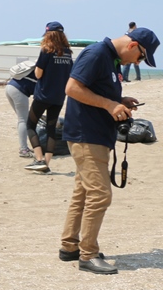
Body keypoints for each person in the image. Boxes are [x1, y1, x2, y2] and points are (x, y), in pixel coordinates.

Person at [60, 26, 157, 274]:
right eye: (141, 58)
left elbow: (94, 89)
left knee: (83, 192)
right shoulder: (96, 54)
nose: (139, 62)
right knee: (100, 195)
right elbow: (71, 88)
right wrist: (109, 104)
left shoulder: (108, 58)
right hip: (86, 135)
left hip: (94, 134)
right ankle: (88, 255)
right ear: (134, 46)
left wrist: (119, 102)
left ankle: (70, 247)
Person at [24, 22, 73, 174]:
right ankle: (46, 163)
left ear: (48, 34)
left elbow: (38, 74)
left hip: (43, 94)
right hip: (59, 96)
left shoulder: (46, 50)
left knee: (30, 125)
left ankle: (39, 159)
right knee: (51, 128)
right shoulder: (67, 53)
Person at [5, 64, 37, 158]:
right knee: (24, 120)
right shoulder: (43, 73)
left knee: (22, 119)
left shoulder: (34, 68)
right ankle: (23, 149)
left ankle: (24, 147)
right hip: (19, 90)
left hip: (10, 87)